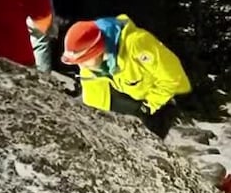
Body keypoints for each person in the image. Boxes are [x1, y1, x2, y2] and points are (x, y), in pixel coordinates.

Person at [60, 15, 191, 138]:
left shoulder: (137, 44)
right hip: (129, 96)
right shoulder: (90, 66)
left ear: (98, 50)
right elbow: (93, 98)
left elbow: (172, 76)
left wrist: (149, 105)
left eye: (84, 59)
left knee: (150, 134)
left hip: (158, 101)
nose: (81, 65)